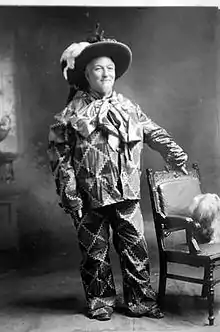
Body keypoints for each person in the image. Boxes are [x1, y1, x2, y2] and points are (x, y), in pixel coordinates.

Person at [48, 27, 188, 321]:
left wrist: (174, 153)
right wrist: (71, 192)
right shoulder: (70, 115)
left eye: (110, 69)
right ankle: (100, 302)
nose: (105, 74)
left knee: (135, 247)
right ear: (86, 74)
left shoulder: (128, 108)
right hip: (89, 197)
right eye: (98, 69)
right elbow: (61, 159)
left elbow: (154, 133)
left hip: (126, 193)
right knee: (94, 253)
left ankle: (140, 301)